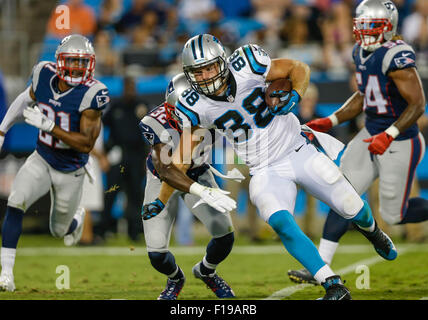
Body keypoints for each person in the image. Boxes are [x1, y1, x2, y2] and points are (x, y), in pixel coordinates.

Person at [143, 33, 397, 300]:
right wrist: (161, 201)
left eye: (209, 68)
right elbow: (180, 161)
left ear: (223, 61)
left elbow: (299, 68)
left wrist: (295, 95)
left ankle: (374, 233)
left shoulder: (248, 64)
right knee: (280, 221)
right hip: (263, 168)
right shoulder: (193, 105)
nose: (206, 77)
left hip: (297, 149)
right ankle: (332, 284)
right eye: (198, 72)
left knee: (351, 208)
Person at [288, 0, 428, 285]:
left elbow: (418, 105)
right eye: (362, 27)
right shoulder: (361, 52)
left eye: (373, 27)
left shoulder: (396, 56)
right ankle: (322, 266)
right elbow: (364, 95)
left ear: (389, 28)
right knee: (342, 195)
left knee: (395, 213)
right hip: (370, 135)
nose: (365, 33)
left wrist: (388, 134)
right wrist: (333, 120)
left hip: (400, 139)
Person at [0, 34, 109, 291]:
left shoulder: (94, 93)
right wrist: (2, 130)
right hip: (42, 157)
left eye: (82, 63)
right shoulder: (42, 74)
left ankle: (75, 219)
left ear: (90, 65)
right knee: (16, 201)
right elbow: (25, 99)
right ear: (59, 61)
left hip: (71, 170)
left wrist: (50, 126)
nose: (76, 68)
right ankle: (6, 273)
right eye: (71, 61)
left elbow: (86, 144)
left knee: (58, 231)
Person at [139, 73, 240, 300]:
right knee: (156, 254)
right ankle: (175, 278)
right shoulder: (153, 123)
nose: (187, 117)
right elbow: (168, 170)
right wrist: (162, 200)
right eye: (181, 111)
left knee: (225, 236)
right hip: (161, 178)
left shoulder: (213, 113)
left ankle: (206, 271)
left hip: (198, 173)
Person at [96, 76, 148, 242]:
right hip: (118, 155)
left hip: (136, 156)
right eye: (127, 88)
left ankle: (135, 231)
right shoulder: (116, 106)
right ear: (124, 89)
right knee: (111, 192)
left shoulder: (142, 106)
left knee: (135, 194)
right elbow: (102, 125)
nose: (130, 91)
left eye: (132, 88)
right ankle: (104, 229)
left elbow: (151, 132)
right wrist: (104, 153)